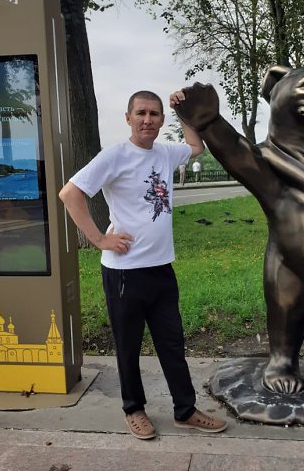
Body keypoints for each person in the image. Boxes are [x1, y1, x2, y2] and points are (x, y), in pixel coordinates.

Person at [59, 89, 227, 440]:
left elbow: (196, 147)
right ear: (128, 118)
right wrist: (99, 238)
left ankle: (185, 410)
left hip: (161, 268)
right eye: (141, 113)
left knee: (172, 344)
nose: (147, 119)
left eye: (154, 114)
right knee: (128, 346)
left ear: (161, 119)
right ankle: (133, 409)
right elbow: (70, 193)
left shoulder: (165, 153)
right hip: (124, 272)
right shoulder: (115, 156)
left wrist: (181, 110)